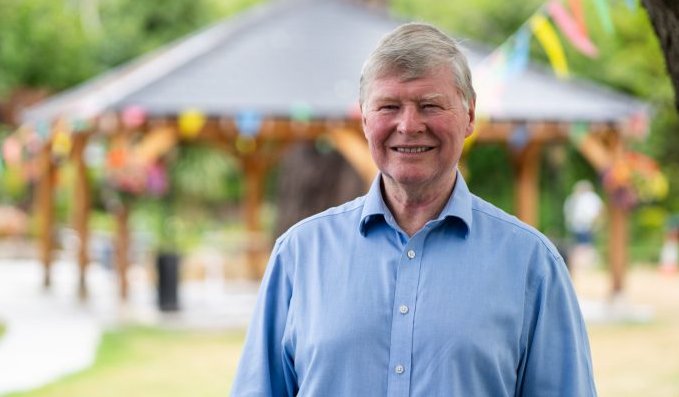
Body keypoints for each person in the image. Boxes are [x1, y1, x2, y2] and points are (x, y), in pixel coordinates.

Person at [231, 23, 596, 396]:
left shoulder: (532, 264)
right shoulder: (299, 253)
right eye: (389, 106)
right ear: (364, 118)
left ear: (469, 115)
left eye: (430, 105)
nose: (408, 125)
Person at [563, 180, 604, 272]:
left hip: (588, 226)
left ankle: (587, 264)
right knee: (579, 246)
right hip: (576, 226)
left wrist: (596, 223)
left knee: (586, 246)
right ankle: (581, 265)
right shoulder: (573, 198)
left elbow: (599, 211)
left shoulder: (592, 198)